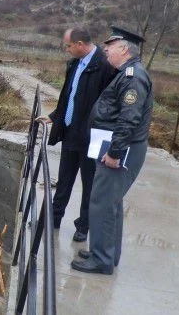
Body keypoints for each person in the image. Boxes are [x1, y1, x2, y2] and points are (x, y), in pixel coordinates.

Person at [71, 26, 153, 275]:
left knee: (103, 203)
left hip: (120, 150)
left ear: (124, 49)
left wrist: (115, 153)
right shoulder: (126, 73)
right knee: (111, 203)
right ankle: (106, 251)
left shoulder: (132, 77)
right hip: (115, 145)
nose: (105, 48)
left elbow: (129, 119)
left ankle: (102, 259)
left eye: (111, 45)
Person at [38, 28, 115, 242]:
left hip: (92, 136)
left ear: (80, 44)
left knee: (90, 183)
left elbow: (110, 103)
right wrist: (55, 116)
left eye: (69, 46)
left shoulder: (105, 65)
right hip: (71, 132)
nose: (67, 49)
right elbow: (69, 95)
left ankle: (83, 226)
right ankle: (54, 218)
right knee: (64, 179)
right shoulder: (74, 64)